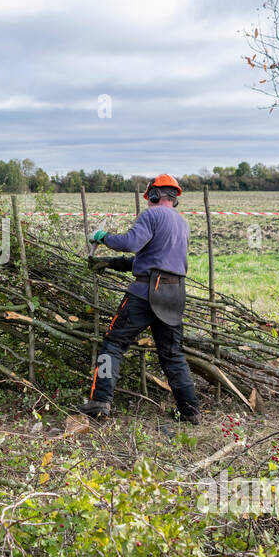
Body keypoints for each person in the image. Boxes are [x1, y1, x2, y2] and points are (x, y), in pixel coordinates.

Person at [81, 174, 200, 424]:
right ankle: (190, 411)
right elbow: (154, 261)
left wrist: (103, 237)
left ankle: (99, 402)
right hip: (175, 293)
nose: (148, 202)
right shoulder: (182, 224)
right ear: (174, 198)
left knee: (113, 343)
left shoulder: (151, 215)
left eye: (150, 198)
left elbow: (131, 243)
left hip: (145, 292)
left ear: (155, 195)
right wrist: (112, 264)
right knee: (172, 354)